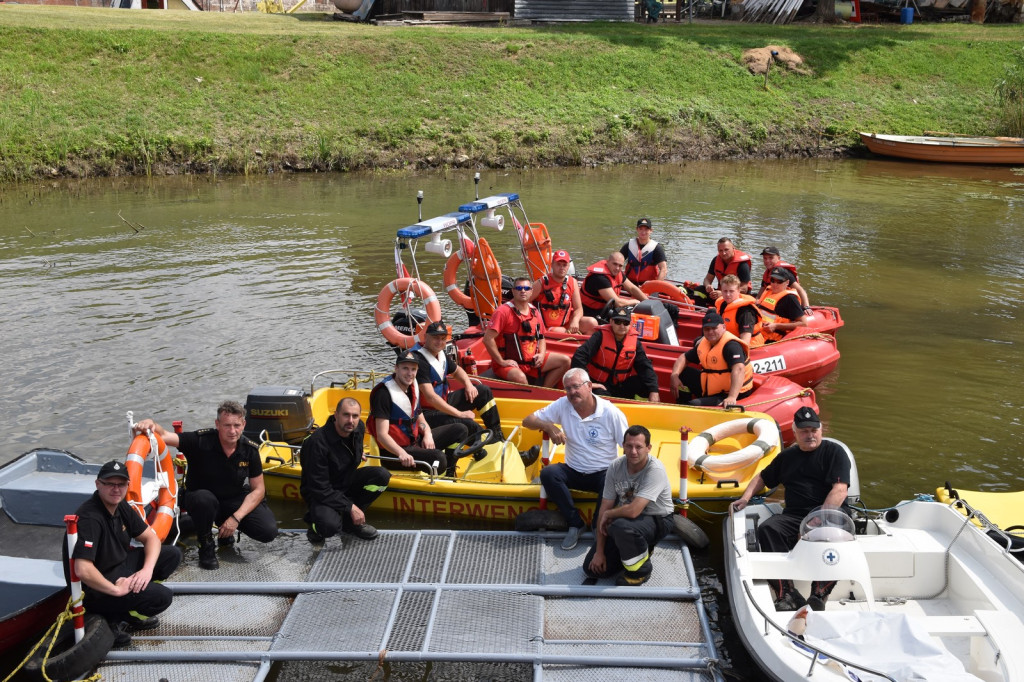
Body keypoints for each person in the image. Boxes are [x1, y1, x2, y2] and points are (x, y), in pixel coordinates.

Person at [731, 407, 851, 612]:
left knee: (830, 533)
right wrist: (745, 497)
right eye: (804, 431)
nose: (810, 435)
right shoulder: (787, 456)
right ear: (795, 432)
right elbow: (762, 477)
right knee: (768, 529)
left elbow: (840, 490)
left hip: (829, 514)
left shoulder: (834, 452)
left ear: (820, 430)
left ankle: (819, 594)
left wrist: (815, 521)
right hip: (795, 514)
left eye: (814, 430)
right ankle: (785, 592)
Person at [134, 402, 278, 571]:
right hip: (200, 498)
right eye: (227, 426)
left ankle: (226, 531)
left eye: (237, 425)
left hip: (232, 499)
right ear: (217, 425)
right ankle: (206, 545)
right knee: (205, 499)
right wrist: (151, 423)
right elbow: (164, 435)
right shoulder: (199, 440)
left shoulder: (249, 450)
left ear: (244, 424)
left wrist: (235, 518)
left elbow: (259, 490)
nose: (232, 431)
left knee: (268, 531)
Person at [64, 460, 182, 646]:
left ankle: (131, 606)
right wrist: (116, 590)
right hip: (97, 586)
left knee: (172, 555)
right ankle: (115, 617)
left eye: (121, 484)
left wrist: (146, 572)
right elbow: (83, 569)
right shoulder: (90, 518)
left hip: (119, 566)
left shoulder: (120, 505)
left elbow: (150, 538)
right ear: (98, 484)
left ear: (127, 485)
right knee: (162, 597)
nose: (116, 489)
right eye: (109, 484)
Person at [522, 367, 628, 550]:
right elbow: (527, 420)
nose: (572, 392)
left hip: (603, 472)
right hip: (574, 470)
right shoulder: (563, 404)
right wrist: (548, 425)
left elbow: (628, 448)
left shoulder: (611, 413)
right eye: (568, 388)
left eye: (576, 387)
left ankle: (598, 525)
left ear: (589, 386)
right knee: (548, 474)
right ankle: (575, 523)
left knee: (615, 478)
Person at [583, 425, 674, 586]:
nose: (633, 451)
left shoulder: (655, 469)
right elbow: (605, 506)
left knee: (620, 526)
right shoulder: (615, 466)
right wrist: (599, 552)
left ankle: (641, 571)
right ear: (622, 446)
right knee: (592, 569)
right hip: (628, 519)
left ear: (648, 448)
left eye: (639, 447)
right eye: (629, 446)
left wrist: (608, 515)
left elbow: (633, 511)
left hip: (658, 519)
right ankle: (637, 548)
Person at [300, 397, 391, 544]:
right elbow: (319, 488)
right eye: (346, 415)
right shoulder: (317, 443)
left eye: (355, 416)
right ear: (335, 415)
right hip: (321, 492)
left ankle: (351, 524)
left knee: (381, 476)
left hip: (346, 481)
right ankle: (315, 526)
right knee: (329, 527)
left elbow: (354, 447)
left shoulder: (358, 428)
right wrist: (350, 506)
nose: (351, 420)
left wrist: (357, 452)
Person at [368, 350, 469, 477]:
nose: (410, 373)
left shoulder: (412, 386)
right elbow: (382, 435)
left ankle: (449, 473)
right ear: (396, 368)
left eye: (413, 369)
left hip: (414, 442)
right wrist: (401, 453)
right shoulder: (383, 394)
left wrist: (427, 434)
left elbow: (419, 415)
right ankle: (436, 476)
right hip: (394, 452)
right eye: (405, 368)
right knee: (439, 458)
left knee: (460, 429)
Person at [415, 320, 504, 440]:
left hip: (443, 402)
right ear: (425, 337)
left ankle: (497, 434)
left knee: (483, 391)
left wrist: (469, 385)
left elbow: (457, 371)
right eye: (435, 338)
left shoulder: (439, 353)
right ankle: (492, 445)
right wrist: (460, 414)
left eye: (443, 338)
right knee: (467, 423)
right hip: (426, 413)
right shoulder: (418, 360)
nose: (440, 342)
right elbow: (431, 398)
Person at [482, 276, 570, 388]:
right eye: (519, 288)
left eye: (526, 288)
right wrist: (501, 361)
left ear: (531, 291)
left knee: (565, 361)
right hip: (509, 363)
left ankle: (544, 392)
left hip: (530, 360)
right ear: (513, 291)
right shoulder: (503, 312)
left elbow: (542, 337)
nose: (523, 291)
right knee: (520, 378)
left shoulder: (534, 311)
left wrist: (542, 354)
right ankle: (530, 396)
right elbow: (487, 339)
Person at [571, 306, 660, 402]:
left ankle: (639, 406)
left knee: (646, 385)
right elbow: (579, 356)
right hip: (599, 385)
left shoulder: (635, 343)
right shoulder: (599, 336)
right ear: (611, 322)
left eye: (625, 323)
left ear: (630, 324)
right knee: (603, 400)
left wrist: (654, 390)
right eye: (618, 322)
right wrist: (586, 382)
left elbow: (645, 366)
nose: (622, 326)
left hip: (620, 386)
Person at [670, 311, 754, 407]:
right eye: (707, 329)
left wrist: (732, 397)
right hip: (712, 386)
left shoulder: (731, 346)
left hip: (730, 393)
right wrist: (674, 376)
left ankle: (689, 408)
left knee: (694, 404)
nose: (710, 332)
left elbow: (739, 369)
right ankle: (681, 404)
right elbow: (683, 357)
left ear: (723, 327)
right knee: (682, 373)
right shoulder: (705, 343)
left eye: (714, 328)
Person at [530, 249, 591, 336]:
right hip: (546, 327)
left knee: (592, 324)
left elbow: (579, 309)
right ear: (552, 265)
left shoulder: (572, 282)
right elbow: (524, 302)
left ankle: (587, 346)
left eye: (564, 265)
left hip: (566, 324)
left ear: (568, 266)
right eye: (558, 264)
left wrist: (575, 321)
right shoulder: (541, 283)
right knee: (563, 331)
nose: (561, 267)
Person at [579, 251, 649, 319]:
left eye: (620, 265)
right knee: (625, 320)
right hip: (590, 312)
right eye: (615, 264)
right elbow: (617, 303)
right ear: (607, 262)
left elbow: (632, 288)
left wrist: (647, 302)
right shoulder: (599, 277)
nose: (617, 268)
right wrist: (635, 302)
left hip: (606, 309)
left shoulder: (618, 273)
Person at [756, 266, 809, 343]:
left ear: (787, 283)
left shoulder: (790, 299)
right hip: (758, 332)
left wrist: (776, 326)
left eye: (779, 282)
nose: (775, 284)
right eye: (772, 280)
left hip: (771, 339)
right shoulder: (768, 291)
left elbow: (804, 323)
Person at [715, 274, 765, 347]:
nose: (728, 294)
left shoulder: (746, 312)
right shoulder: (723, 304)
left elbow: (745, 342)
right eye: (725, 291)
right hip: (730, 340)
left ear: (738, 291)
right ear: (721, 291)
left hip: (751, 347)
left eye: (731, 291)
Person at [620, 218, 667, 286]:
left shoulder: (656, 248)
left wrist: (655, 287)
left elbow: (663, 269)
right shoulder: (628, 245)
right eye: (641, 229)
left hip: (649, 285)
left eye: (646, 229)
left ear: (651, 230)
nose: (643, 232)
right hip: (629, 284)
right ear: (637, 229)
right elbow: (617, 262)